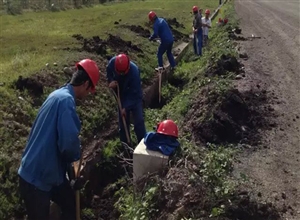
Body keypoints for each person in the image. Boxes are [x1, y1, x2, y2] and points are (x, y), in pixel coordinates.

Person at [18, 59, 100, 220]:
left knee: (70, 203)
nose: (89, 94)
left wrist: (71, 177)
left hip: (49, 172)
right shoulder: (66, 102)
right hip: (36, 177)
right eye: (90, 89)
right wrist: (75, 159)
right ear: (84, 84)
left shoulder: (58, 95)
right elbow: (68, 145)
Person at [106, 53, 146, 145]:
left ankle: (142, 144)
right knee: (123, 122)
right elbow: (108, 71)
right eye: (119, 72)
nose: (120, 74)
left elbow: (134, 93)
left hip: (134, 97)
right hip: (122, 95)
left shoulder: (134, 72)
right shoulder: (113, 62)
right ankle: (125, 145)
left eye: (122, 73)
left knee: (138, 121)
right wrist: (111, 80)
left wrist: (126, 107)